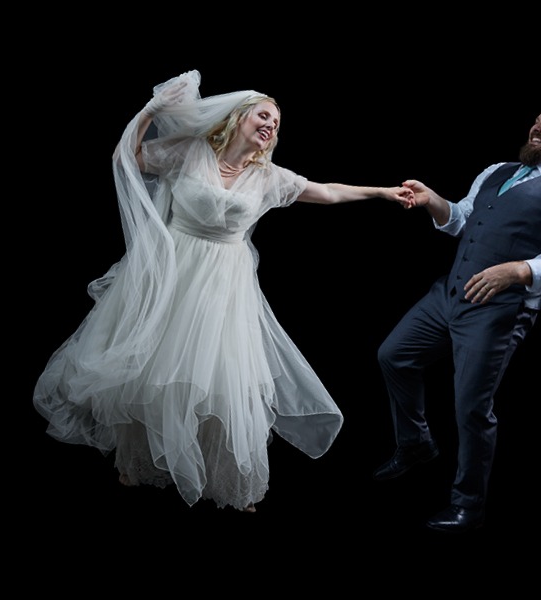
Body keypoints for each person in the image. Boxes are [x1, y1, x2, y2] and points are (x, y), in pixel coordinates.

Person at [33, 70, 414, 513]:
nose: (271, 125)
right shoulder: (190, 153)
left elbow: (327, 192)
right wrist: (149, 112)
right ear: (238, 118)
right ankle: (135, 462)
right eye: (264, 115)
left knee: (221, 378)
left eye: (277, 122)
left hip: (223, 285)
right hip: (172, 272)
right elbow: (131, 158)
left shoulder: (268, 176)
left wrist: (384, 192)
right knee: (150, 367)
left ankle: (230, 482)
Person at [373, 99, 541, 532]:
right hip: (449, 294)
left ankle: (467, 505)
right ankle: (416, 443)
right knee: (393, 355)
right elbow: (460, 220)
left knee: (471, 407)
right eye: (536, 120)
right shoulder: (496, 171)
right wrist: (432, 199)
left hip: (499, 311)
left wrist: (516, 271)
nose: (536, 127)